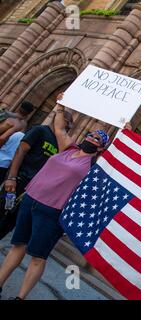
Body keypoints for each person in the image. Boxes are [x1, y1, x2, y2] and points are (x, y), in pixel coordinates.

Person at [0, 93, 110, 299]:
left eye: (97, 138)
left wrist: (127, 133)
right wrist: (60, 104)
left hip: (52, 212)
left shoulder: (94, 167)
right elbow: (59, 127)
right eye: (90, 134)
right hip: (30, 200)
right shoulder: (68, 148)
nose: (90, 138)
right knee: (18, 245)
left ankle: (20, 297)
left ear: (101, 147)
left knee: (37, 257)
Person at [0, 109, 73, 240]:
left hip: (33, 190)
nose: (69, 126)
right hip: (19, 180)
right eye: (68, 122)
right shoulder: (40, 130)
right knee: (1, 211)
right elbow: (20, 151)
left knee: (10, 222)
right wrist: (11, 177)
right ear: (58, 119)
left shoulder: (60, 143)